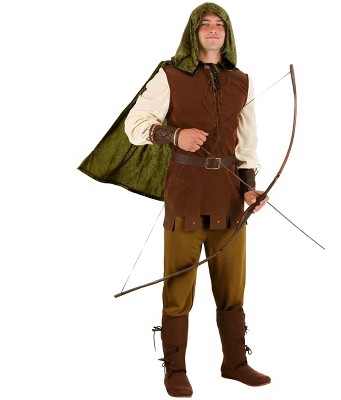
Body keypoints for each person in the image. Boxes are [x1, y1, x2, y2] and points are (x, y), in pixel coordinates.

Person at [79, 2, 270, 397]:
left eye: (220, 24)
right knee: (179, 286)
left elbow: (246, 141)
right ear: (193, 32)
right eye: (206, 24)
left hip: (229, 198)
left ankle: (235, 363)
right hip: (186, 194)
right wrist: (175, 134)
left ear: (227, 33)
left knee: (232, 286)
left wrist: (249, 187)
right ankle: (176, 369)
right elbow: (136, 125)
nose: (213, 29)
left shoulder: (242, 80)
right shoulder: (170, 75)